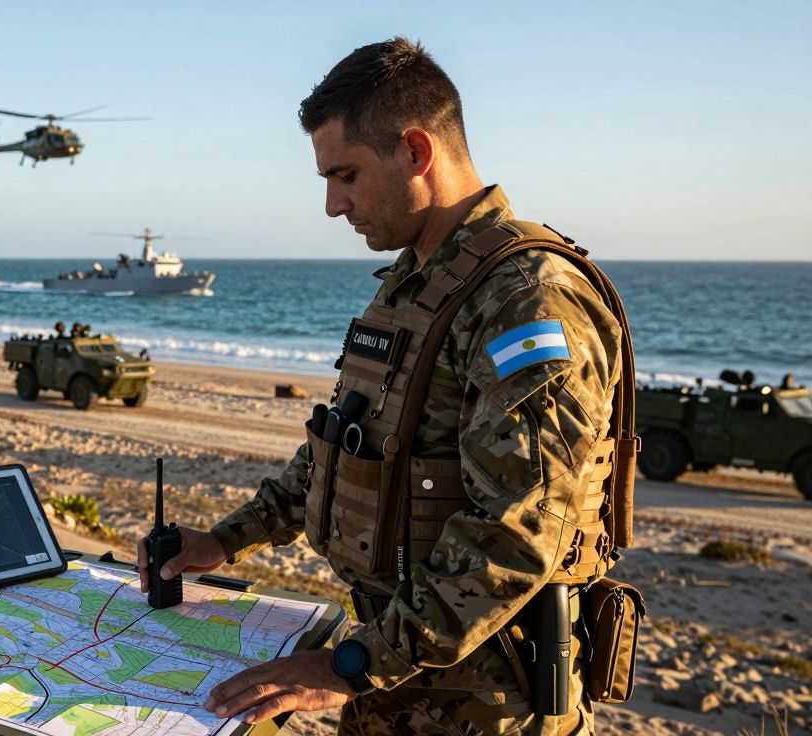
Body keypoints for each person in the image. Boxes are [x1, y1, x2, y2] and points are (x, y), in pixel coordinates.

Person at [137, 37, 632, 734]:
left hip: (485, 705)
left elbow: (524, 529)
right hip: (389, 681)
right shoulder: (413, 284)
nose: (334, 206)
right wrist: (225, 541)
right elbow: (343, 447)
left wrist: (348, 666)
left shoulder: (527, 299)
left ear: (416, 152)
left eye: (345, 175)